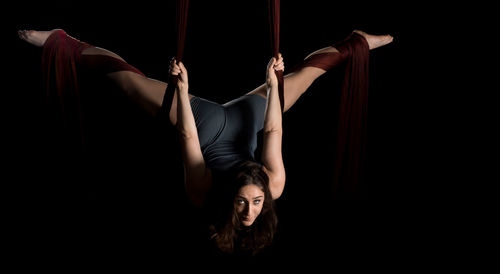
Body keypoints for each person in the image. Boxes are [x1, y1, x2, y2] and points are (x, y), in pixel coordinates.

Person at [18, 28, 393, 255]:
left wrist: (182, 91)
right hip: (251, 120)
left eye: (244, 204)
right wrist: (274, 84)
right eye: (254, 203)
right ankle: (356, 40)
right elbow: (274, 131)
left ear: (229, 202)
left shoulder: (202, 190)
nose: (250, 208)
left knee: (126, 79)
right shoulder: (273, 185)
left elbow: (187, 136)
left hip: (205, 126)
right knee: (308, 73)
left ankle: (61, 40)